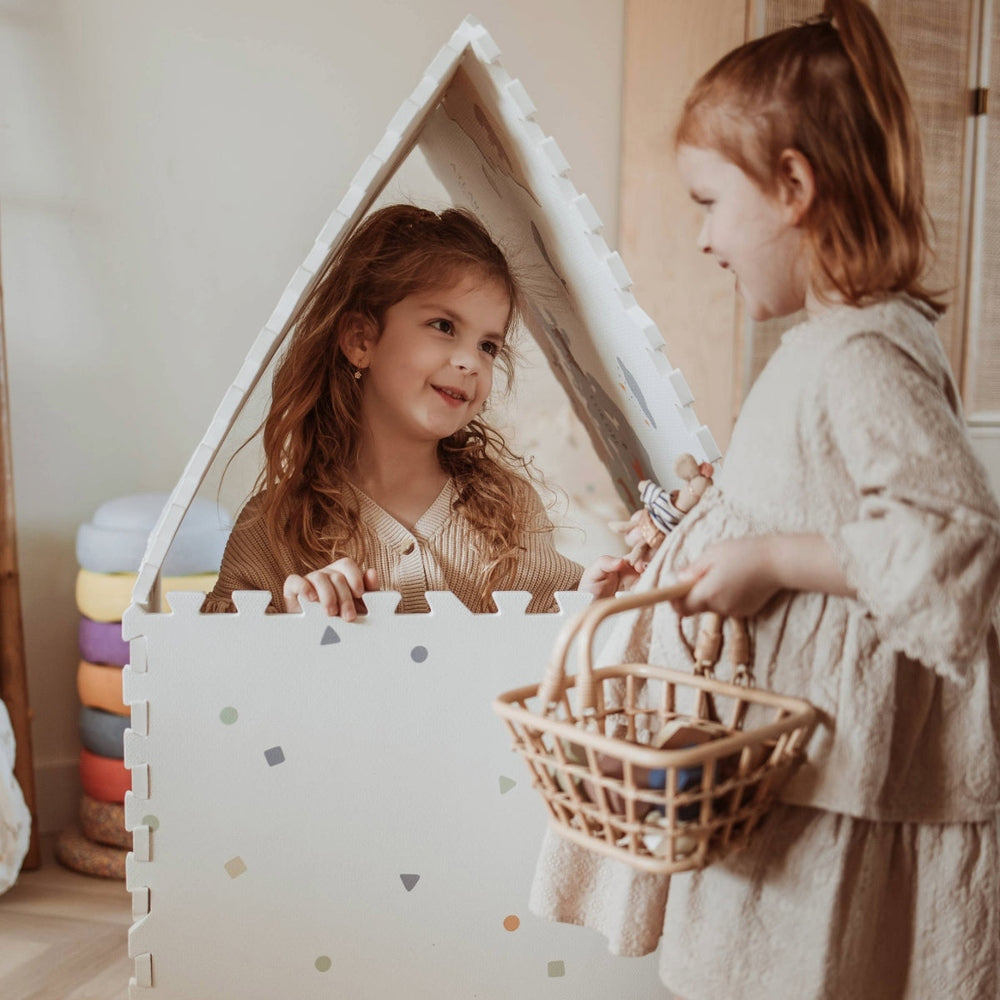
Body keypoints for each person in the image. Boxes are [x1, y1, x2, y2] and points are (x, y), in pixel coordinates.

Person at [529, 3, 1000, 997]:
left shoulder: (863, 355)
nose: (703, 239)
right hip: (779, 773)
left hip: (833, 786)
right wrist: (682, 535)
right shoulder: (823, 348)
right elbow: (788, 502)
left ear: (792, 187)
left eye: (710, 202)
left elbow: (949, 540)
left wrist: (773, 560)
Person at [202, 204, 634, 618]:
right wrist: (293, 621)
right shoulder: (274, 526)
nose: (471, 362)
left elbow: (549, 635)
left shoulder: (508, 509)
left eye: (487, 346)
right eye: (444, 326)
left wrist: (591, 600)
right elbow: (217, 654)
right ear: (361, 341)